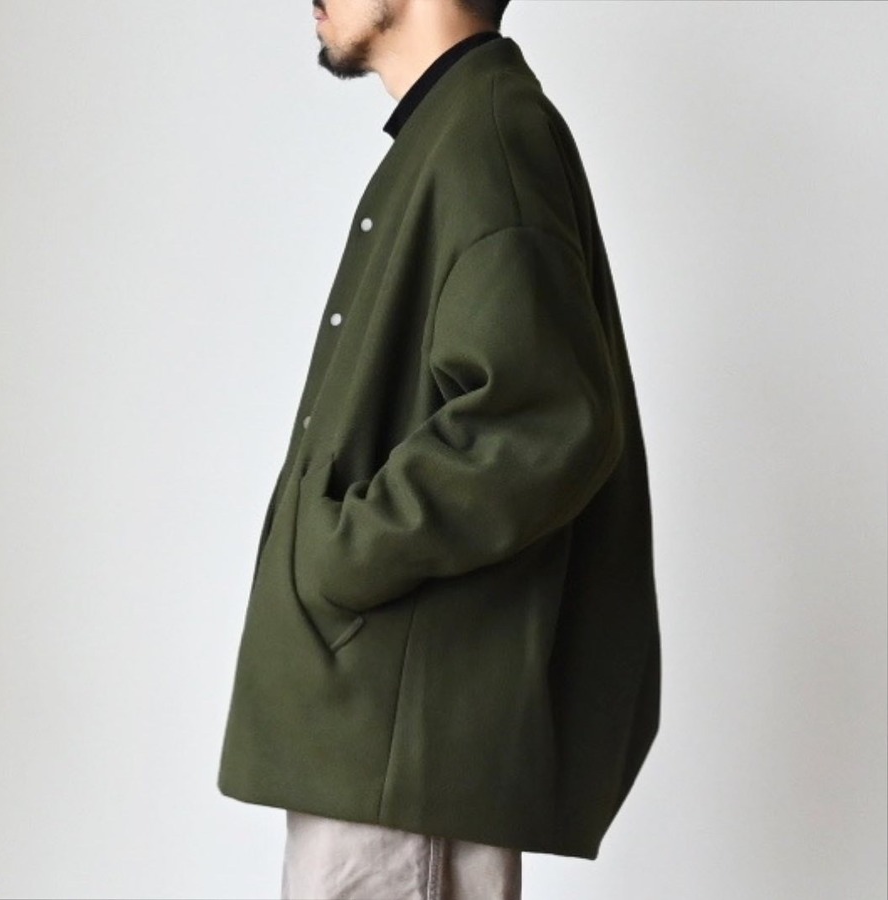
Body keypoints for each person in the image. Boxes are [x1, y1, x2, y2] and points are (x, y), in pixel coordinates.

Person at [217, 1, 662, 897]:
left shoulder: (486, 137)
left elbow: (544, 417)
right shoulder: (457, 130)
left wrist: (347, 553)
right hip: (382, 732)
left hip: (403, 737)